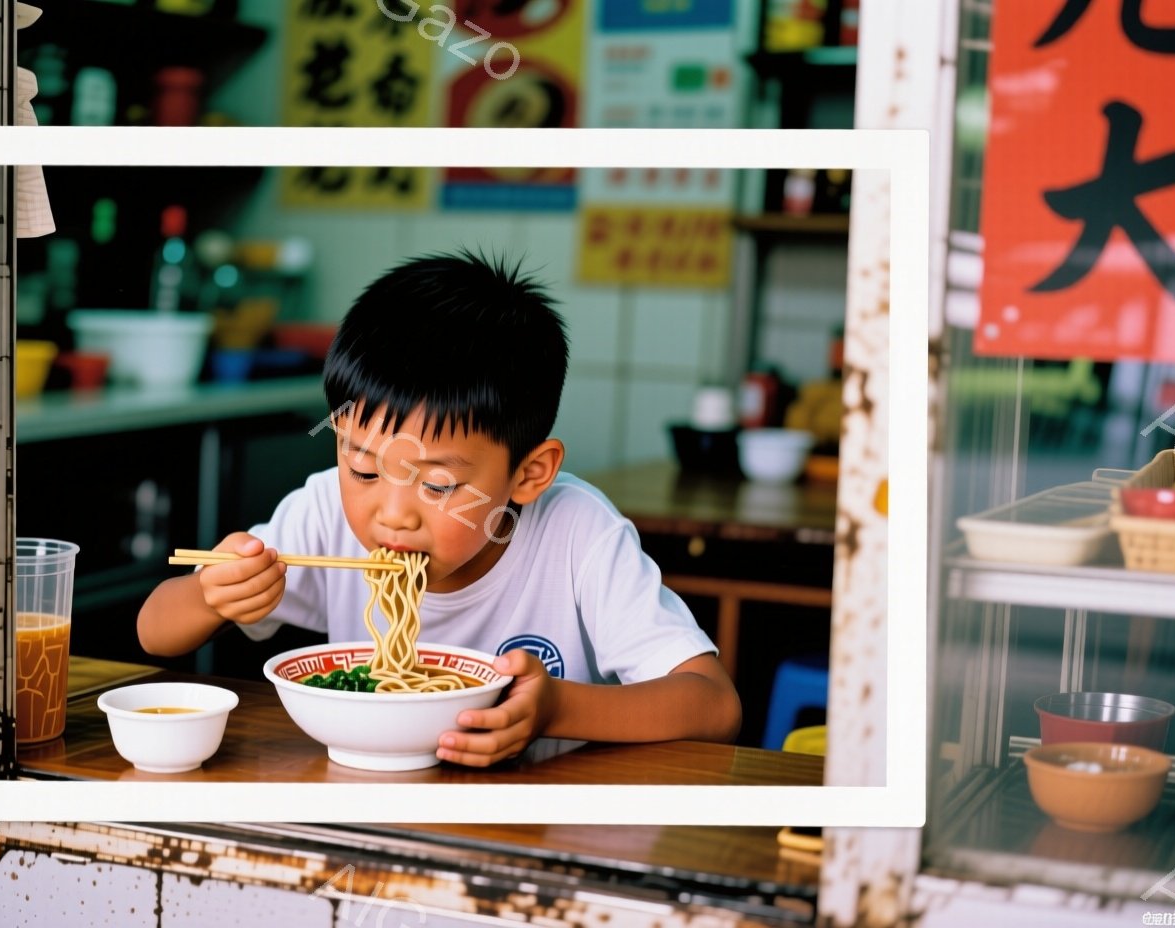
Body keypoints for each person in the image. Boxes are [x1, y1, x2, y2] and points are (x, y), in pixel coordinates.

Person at [138, 250, 741, 766]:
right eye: (364, 469)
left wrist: (557, 708)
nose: (393, 514)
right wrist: (210, 595)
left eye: (438, 485)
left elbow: (715, 706)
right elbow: (154, 632)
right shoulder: (324, 510)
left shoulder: (577, 533)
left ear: (529, 474)